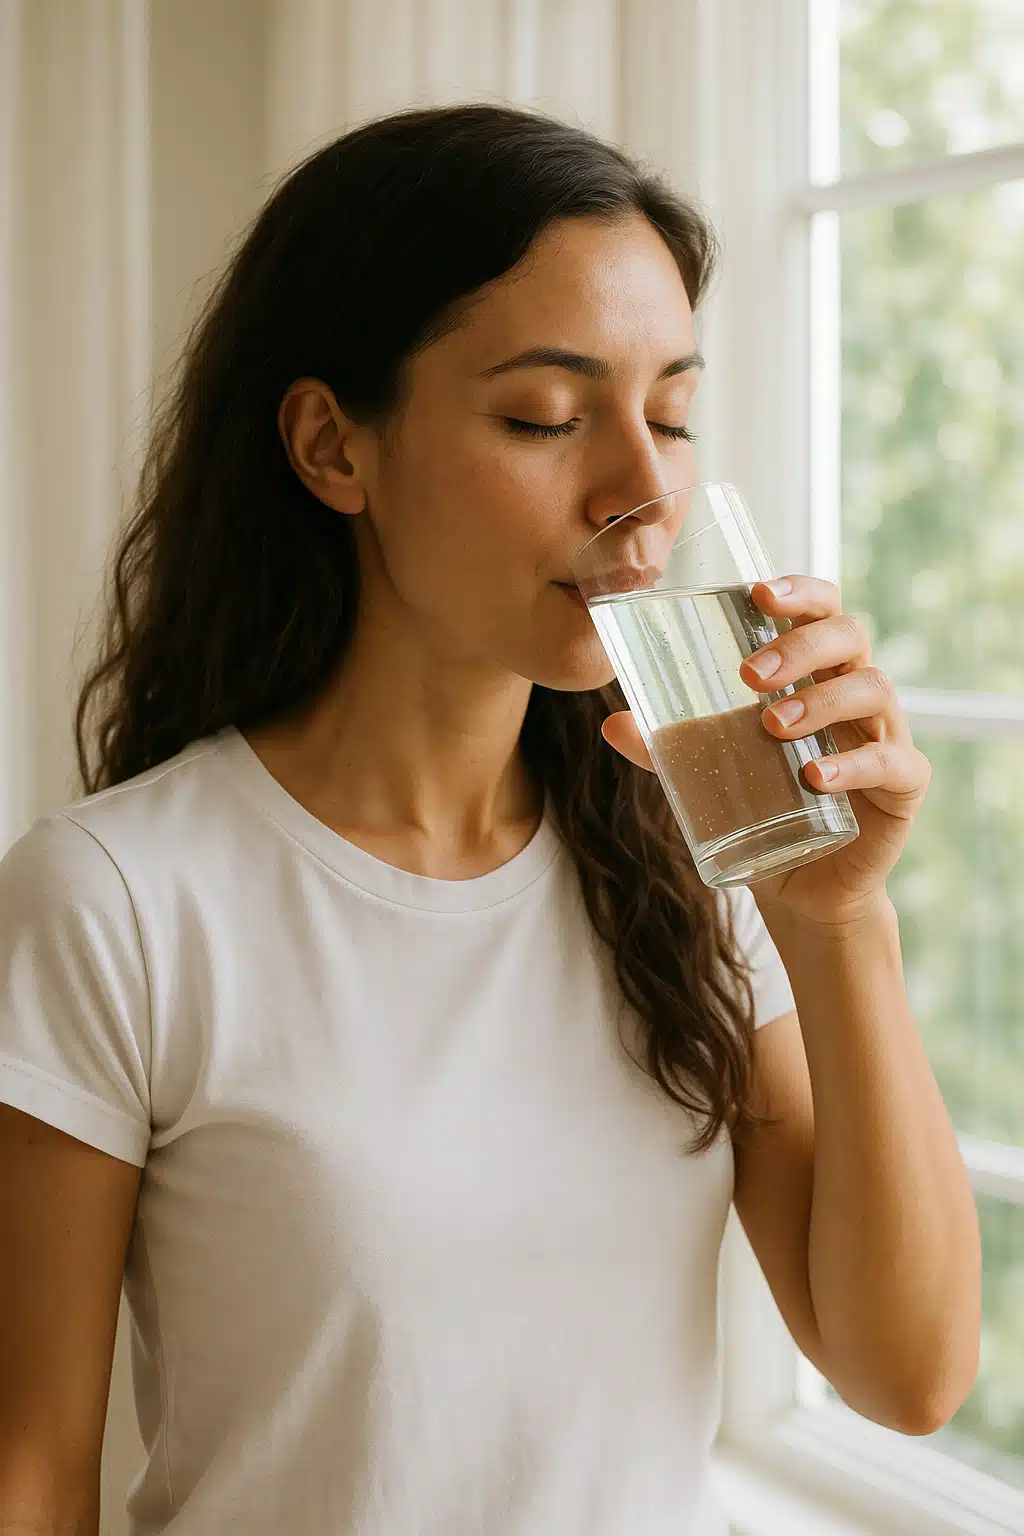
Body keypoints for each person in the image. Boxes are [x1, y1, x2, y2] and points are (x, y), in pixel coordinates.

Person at [0, 103, 978, 1536]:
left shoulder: (699, 872)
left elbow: (910, 1376)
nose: (643, 489)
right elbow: (31, 1475)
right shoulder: (122, 898)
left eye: (674, 414)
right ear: (335, 448)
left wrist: (840, 919)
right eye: (547, 416)